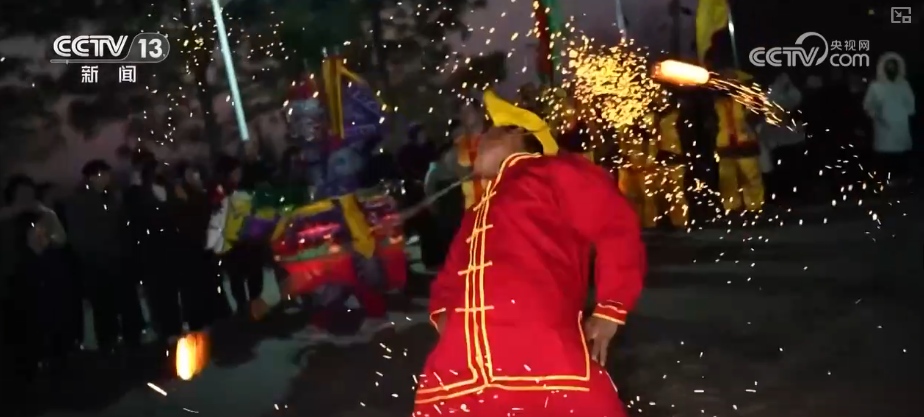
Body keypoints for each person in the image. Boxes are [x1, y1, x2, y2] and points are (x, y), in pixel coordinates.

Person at [412, 90, 645, 416]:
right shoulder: (476, 212)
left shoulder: (554, 171)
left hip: (543, 346)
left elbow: (616, 225)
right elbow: (449, 279)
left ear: (516, 134)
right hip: (462, 369)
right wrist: (447, 323)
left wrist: (610, 309)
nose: (476, 142)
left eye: (487, 133)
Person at [66, 160, 144, 352]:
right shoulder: (79, 201)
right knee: (104, 308)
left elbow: (124, 226)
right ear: (91, 177)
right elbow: (78, 237)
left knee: (128, 303)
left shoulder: (113, 197)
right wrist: (94, 256)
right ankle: (109, 345)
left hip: (119, 260)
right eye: (102, 174)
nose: (107, 178)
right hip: (97, 264)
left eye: (107, 174)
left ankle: (132, 340)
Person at [125, 158, 183, 342]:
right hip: (152, 250)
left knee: (170, 291)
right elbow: (138, 221)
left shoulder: (167, 189)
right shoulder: (139, 194)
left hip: (168, 247)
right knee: (158, 293)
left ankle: (174, 326)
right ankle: (164, 329)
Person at [174, 162, 229, 330]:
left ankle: (215, 315)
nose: (195, 176)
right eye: (190, 173)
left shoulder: (202, 192)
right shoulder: (182, 194)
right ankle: (200, 319)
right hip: (191, 247)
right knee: (196, 286)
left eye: (196, 173)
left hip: (204, 244)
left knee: (210, 282)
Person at [713, 70, 764, 212]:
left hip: (746, 143)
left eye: (731, 80)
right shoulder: (718, 101)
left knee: (751, 178)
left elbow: (758, 113)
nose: (728, 82)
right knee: (728, 181)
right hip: (725, 145)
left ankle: (754, 207)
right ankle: (732, 208)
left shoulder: (747, 98)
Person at [863, 52, 915, 186]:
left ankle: (902, 180)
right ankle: (884, 181)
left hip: (901, 126)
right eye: (889, 65)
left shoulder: (903, 85)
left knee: (901, 154)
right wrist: (877, 115)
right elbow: (868, 105)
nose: (891, 68)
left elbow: (911, 104)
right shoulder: (875, 86)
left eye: (894, 65)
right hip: (883, 126)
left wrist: (904, 114)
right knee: (885, 155)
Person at [757, 73, 806, 203]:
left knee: (791, 167)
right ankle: (784, 195)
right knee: (781, 168)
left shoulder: (790, 92)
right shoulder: (771, 93)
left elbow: (795, 101)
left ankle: (793, 194)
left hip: (789, 138)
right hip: (778, 139)